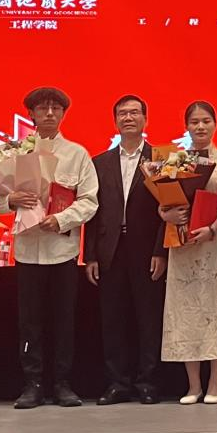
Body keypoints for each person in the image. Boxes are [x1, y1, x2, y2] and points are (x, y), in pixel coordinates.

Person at [0, 87, 99, 409]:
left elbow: (90, 200)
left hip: (62, 250)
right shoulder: (15, 152)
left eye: (56, 108)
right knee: (30, 322)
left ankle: (62, 383)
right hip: (28, 250)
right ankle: (33, 383)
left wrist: (62, 219)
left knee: (63, 320)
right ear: (31, 114)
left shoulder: (77, 154)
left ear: (64, 114)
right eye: (42, 108)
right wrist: (10, 199)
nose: (49, 113)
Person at [159, 101, 217, 404]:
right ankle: (193, 385)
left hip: (214, 243)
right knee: (186, 311)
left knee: (216, 307)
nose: (200, 126)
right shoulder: (174, 161)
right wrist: (166, 215)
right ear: (187, 126)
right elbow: (163, 201)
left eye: (206, 121)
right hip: (182, 244)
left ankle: (215, 384)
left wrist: (213, 229)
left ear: (215, 124)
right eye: (194, 121)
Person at [84, 95, 166, 405]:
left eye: (134, 112)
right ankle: (117, 383)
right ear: (115, 120)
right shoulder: (99, 163)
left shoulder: (161, 159)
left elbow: (169, 207)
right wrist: (90, 255)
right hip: (110, 250)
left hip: (146, 250)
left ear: (145, 119)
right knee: (113, 319)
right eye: (122, 113)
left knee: (149, 317)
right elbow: (92, 212)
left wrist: (161, 251)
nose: (128, 118)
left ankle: (148, 382)